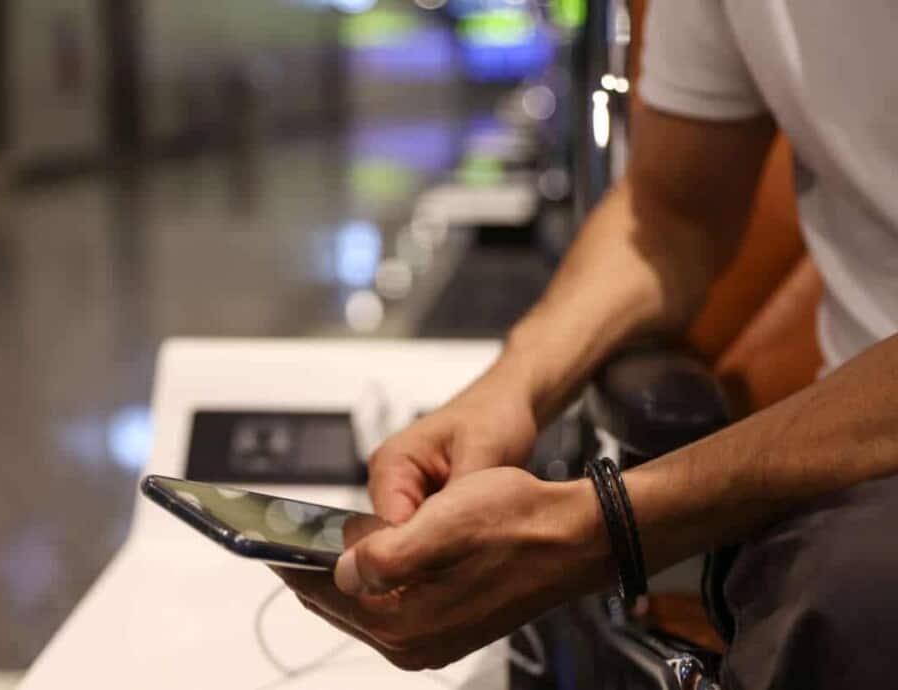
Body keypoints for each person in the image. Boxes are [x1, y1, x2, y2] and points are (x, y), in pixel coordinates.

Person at [276, 2, 898, 687]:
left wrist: (605, 529)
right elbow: (671, 218)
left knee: (851, 597)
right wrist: (511, 387)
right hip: (848, 454)